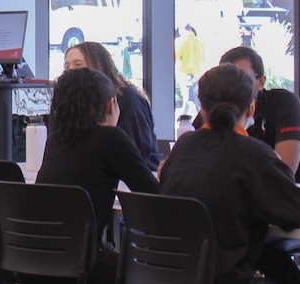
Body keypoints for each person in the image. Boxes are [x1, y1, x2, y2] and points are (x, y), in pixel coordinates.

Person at [160, 64, 300, 283]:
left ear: (202, 109)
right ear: (251, 108)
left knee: (275, 261)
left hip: (173, 273)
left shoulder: (182, 147)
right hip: (228, 275)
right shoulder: (254, 154)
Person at [35, 67, 159, 283]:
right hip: (84, 263)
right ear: (110, 105)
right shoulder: (111, 139)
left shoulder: (55, 141)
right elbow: (152, 193)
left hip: (32, 260)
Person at [194, 46, 300, 184]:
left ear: (261, 82)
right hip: (237, 193)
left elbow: (283, 172)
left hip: (293, 193)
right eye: (226, 80)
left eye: (242, 78)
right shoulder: (213, 108)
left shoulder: (284, 103)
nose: (234, 86)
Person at [64, 42, 163, 170]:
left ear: (97, 66)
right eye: (67, 67)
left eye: (78, 65)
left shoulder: (128, 99)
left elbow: (138, 154)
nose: (71, 71)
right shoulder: (77, 103)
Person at [175, 23, 206, 115]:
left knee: (188, 98)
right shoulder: (199, 42)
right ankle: (197, 117)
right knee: (193, 97)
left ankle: (182, 119)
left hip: (184, 73)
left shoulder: (179, 41)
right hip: (196, 73)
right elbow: (203, 58)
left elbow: (175, 57)